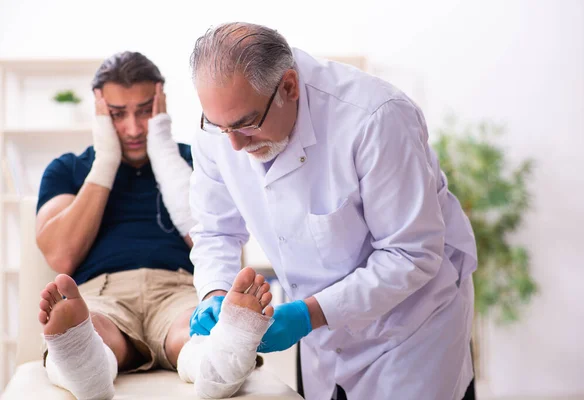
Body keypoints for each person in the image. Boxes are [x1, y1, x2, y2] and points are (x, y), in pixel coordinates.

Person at [188, 23, 479, 400]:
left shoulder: (376, 118)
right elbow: (215, 231)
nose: (235, 146)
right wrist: (214, 293)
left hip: (409, 334)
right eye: (219, 127)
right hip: (321, 342)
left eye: (247, 125)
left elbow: (411, 254)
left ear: (289, 87)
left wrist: (307, 314)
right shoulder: (222, 127)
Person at [36, 51, 273, 399]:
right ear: (100, 112)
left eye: (145, 111)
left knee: (192, 332)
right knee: (96, 329)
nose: (133, 128)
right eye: (117, 115)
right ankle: (84, 364)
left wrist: (163, 151)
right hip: (102, 293)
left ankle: (217, 364)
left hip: (180, 287)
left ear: (161, 103)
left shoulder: (195, 160)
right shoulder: (68, 169)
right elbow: (61, 256)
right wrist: (106, 161)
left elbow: (217, 243)